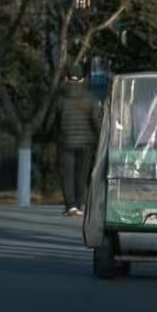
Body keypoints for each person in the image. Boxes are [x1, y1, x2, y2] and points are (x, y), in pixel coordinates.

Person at [55, 68, 101, 218]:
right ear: (83, 79)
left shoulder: (60, 99)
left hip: (66, 142)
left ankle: (71, 206)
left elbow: (53, 122)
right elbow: (96, 122)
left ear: (67, 79)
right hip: (86, 144)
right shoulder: (90, 99)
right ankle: (80, 205)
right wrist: (99, 139)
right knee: (82, 175)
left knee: (67, 175)